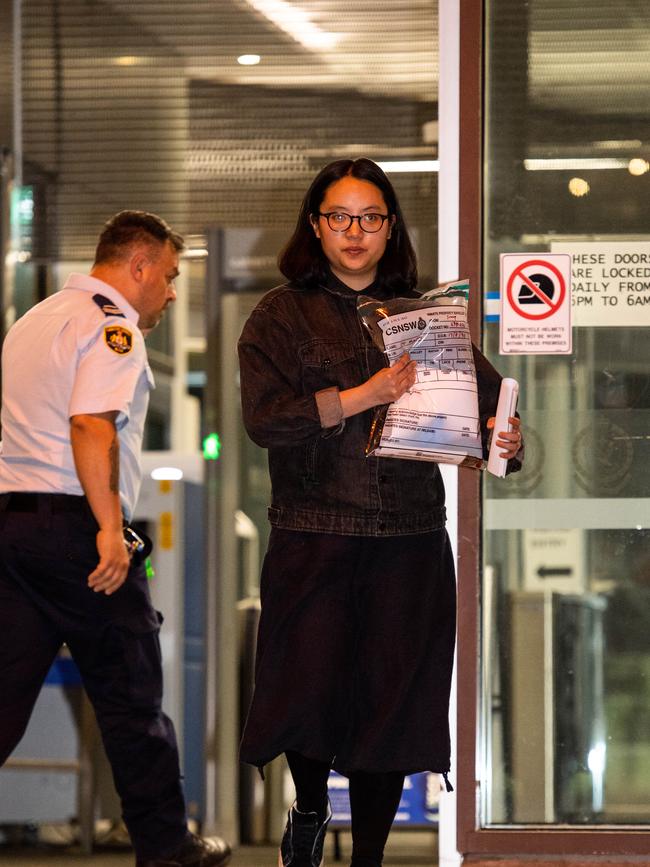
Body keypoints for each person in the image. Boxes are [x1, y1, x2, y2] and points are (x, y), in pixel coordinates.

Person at [237, 159, 523, 867]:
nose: (354, 232)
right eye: (339, 216)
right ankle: (308, 806)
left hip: (410, 541)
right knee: (306, 698)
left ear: (391, 226)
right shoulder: (280, 313)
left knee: (391, 712)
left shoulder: (427, 316)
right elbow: (266, 421)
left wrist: (504, 442)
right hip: (313, 535)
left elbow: (485, 423)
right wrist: (364, 394)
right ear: (315, 225)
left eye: (370, 217)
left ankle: (369, 856)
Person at [0, 211, 231, 867]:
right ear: (139, 266)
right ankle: (166, 845)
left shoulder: (33, 320)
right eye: (170, 275)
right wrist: (109, 529)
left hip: (12, 530)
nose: (171, 291)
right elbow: (91, 426)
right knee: (132, 694)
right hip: (75, 530)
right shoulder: (113, 325)